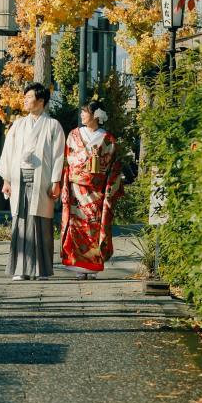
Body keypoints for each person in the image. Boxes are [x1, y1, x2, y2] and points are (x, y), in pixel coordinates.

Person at [0, 81, 65, 280]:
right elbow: (8, 152)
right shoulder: (17, 124)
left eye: (29, 97)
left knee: (40, 223)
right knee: (20, 222)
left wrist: (56, 182)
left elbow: (58, 155)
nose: (25, 100)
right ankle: (20, 269)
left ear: (41, 100)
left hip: (42, 181)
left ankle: (41, 270)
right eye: (25, 97)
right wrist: (6, 180)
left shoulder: (53, 125)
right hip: (19, 178)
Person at [60, 101, 123, 280]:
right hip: (76, 188)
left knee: (94, 227)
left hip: (97, 191)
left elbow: (113, 167)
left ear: (96, 115)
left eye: (85, 112)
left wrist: (109, 189)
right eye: (81, 112)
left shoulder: (108, 139)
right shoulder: (73, 134)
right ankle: (78, 266)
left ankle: (93, 266)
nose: (82, 115)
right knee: (77, 226)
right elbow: (68, 160)